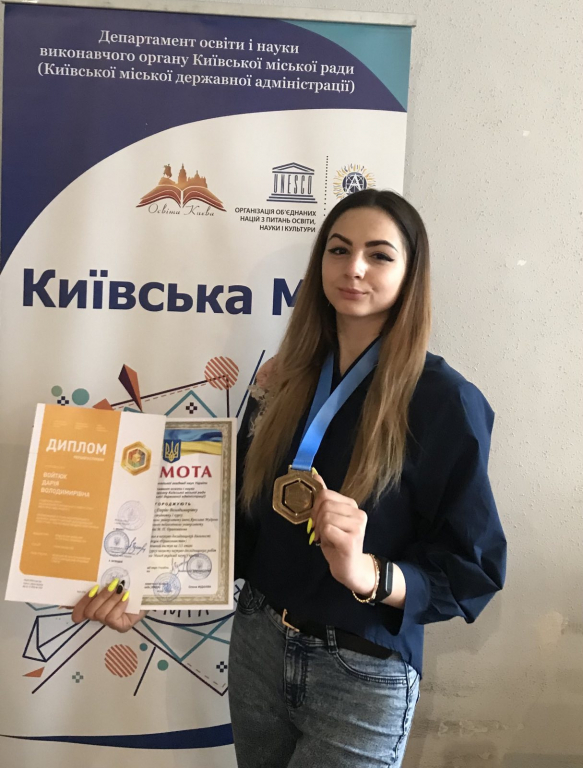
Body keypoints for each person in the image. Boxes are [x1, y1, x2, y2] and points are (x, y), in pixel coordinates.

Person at [72, 189, 506, 768]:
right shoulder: (282, 380)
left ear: (411, 274)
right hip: (257, 645)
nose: (354, 267)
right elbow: (238, 522)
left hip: (359, 670)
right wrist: (143, 586)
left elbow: (473, 571)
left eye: (379, 255)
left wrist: (369, 574)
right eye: (338, 249)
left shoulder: (444, 401)